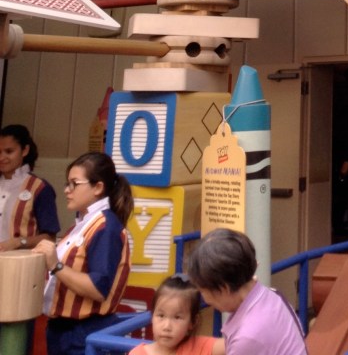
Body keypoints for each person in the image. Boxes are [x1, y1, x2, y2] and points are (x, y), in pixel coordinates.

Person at [36, 151, 133, 355]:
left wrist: (56, 265)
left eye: (74, 184)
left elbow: (98, 288)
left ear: (98, 187)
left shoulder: (105, 227)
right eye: (67, 183)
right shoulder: (82, 225)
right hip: (64, 331)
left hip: (85, 333)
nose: (67, 190)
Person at [187, 228, 306, 355]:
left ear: (223, 289)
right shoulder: (272, 295)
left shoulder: (246, 337)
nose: (205, 300)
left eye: (202, 291)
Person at [0, 123, 60, 252]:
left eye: (9, 151)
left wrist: (19, 242)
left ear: (25, 150)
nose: (2, 157)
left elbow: (50, 238)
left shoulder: (39, 188)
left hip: (20, 261)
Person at [128, 274, 223, 355]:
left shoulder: (199, 347)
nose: (167, 327)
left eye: (177, 317)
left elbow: (232, 344)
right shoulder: (137, 353)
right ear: (152, 316)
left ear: (193, 322)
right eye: (161, 315)